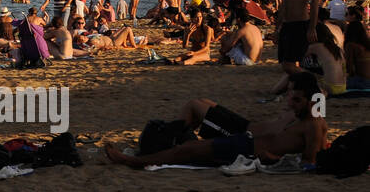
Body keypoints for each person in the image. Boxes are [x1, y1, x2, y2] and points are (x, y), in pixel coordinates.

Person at [106, 73, 327, 169]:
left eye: (296, 99)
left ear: (310, 100)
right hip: (246, 141)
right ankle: (145, 156)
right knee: (189, 148)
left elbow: (308, 164)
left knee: (187, 150)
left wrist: (272, 159)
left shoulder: (313, 125)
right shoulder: (304, 117)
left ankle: (134, 162)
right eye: (290, 96)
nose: (290, 102)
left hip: (247, 148)